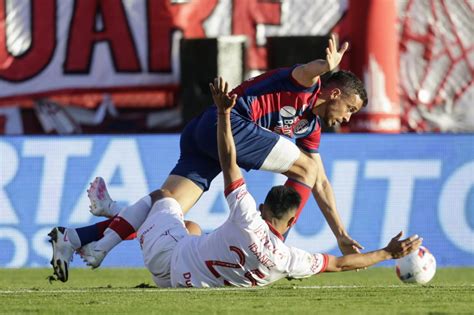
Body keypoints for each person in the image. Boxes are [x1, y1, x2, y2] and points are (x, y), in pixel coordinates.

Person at [51, 77, 419, 288]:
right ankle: (104, 232)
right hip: (220, 124)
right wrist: (326, 66)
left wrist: (340, 231)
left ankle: (79, 236)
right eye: (351, 108)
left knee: (177, 213)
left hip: (205, 133)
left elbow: (232, 165)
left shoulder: (308, 130)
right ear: (333, 94)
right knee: (307, 169)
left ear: (262, 210)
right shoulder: (302, 94)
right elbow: (301, 72)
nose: (350, 117)